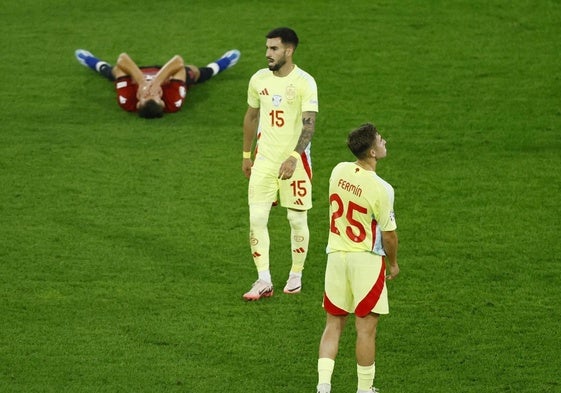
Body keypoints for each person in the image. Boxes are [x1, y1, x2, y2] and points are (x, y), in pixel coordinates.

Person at [316, 123, 400, 393]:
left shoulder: (338, 170)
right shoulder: (381, 188)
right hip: (365, 260)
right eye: (380, 140)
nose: (384, 142)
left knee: (333, 325)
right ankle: (364, 390)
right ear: (373, 152)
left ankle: (323, 387)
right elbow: (389, 237)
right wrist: (393, 263)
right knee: (365, 330)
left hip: (336, 258)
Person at [241, 27, 318, 301]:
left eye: (273, 49)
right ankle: (264, 280)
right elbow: (251, 117)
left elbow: (309, 125)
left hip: (295, 162)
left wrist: (294, 157)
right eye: (267, 48)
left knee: (296, 219)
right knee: (256, 219)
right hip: (264, 160)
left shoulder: (304, 82)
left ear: (289, 50)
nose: (267, 54)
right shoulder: (258, 80)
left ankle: (296, 275)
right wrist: (246, 155)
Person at [75, 48, 240, 118]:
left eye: (147, 95)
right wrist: (158, 80)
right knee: (193, 72)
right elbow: (178, 63)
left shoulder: (127, 100)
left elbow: (122, 60)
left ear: (138, 102)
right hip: (168, 73)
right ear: (163, 101)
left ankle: (93, 62)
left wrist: (140, 81)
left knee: (115, 72)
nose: (153, 91)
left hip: (139, 73)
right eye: (157, 95)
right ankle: (221, 64)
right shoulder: (173, 101)